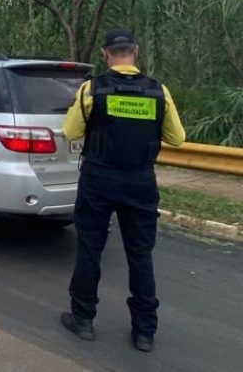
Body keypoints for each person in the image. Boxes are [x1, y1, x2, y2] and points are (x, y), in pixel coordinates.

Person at [60, 29, 185, 353]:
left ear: (105, 54)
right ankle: (144, 333)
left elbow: (70, 131)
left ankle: (83, 319)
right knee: (140, 255)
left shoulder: (92, 89)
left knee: (90, 249)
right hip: (140, 182)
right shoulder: (159, 91)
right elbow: (177, 138)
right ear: (136, 52)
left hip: (98, 180)